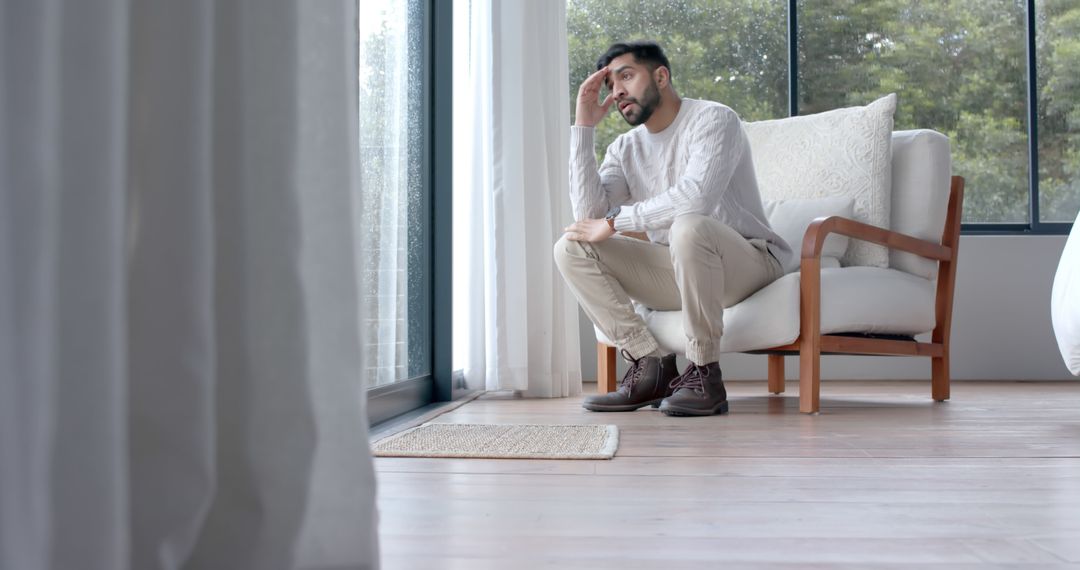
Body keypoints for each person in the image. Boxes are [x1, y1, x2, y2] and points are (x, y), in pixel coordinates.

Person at [553, 40, 792, 417]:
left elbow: (695, 199)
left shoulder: (714, 120)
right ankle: (651, 366)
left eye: (626, 76)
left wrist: (616, 222)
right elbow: (589, 217)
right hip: (679, 268)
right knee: (571, 246)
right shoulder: (624, 148)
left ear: (661, 76)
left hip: (748, 264)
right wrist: (583, 127)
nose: (617, 92)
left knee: (690, 226)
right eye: (611, 85)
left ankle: (704, 374)